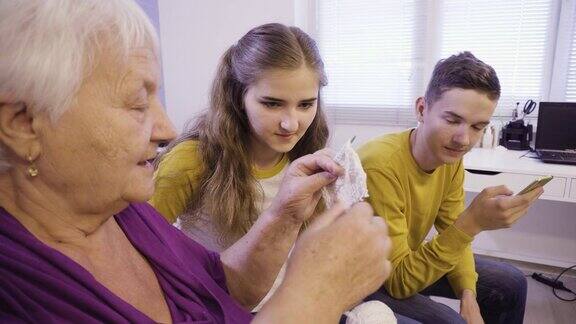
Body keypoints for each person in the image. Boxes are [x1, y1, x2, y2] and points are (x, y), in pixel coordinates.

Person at [0, 1, 393, 322]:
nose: (168, 129)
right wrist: (315, 295)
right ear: (23, 125)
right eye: (138, 104)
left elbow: (219, 285)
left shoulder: (125, 213)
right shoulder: (19, 291)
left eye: (306, 104)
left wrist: (286, 214)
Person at [358, 52, 542, 324]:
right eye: (452, 120)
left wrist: (468, 294)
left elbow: (454, 232)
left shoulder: (449, 159)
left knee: (511, 283)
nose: (463, 139)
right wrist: (473, 222)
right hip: (364, 279)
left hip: (401, 263)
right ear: (422, 109)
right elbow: (398, 282)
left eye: (478, 126)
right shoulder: (380, 166)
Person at [150, 23, 329, 251]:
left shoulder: (309, 158)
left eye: (305, 105)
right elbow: (138, 245)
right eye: (272, 104)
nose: (290, 123)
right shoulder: (193, 160)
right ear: (238, 96)